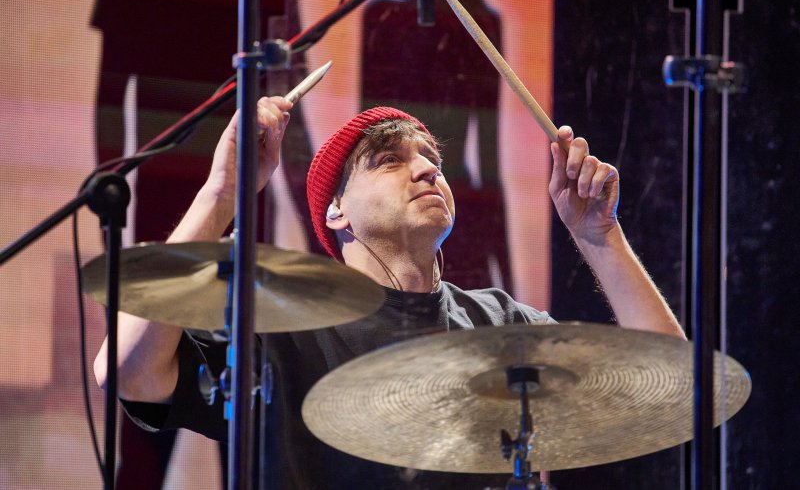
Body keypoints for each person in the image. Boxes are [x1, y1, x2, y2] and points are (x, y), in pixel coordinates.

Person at [94, 97, 685, 489]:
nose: (428, 171)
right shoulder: (281, 326)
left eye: (433, 160)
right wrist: (222, 194)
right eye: (388, 161)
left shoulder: (501, 323)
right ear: (335, 211)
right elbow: (127, 370)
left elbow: (671, 386)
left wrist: (599, 235)